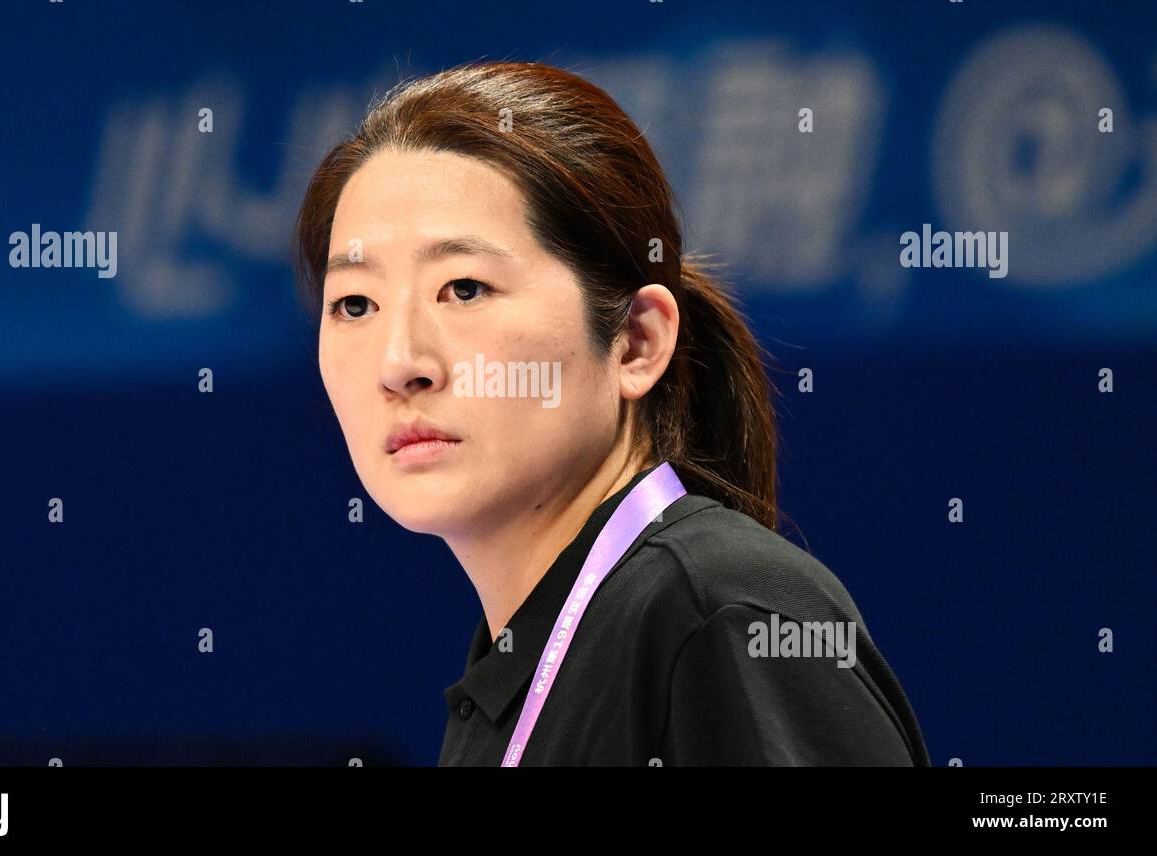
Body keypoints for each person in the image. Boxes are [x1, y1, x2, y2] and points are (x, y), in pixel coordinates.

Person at [294, 60, 929, 766]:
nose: (399, 363)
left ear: (637, 342)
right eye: (355, 304)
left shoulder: (720, 616)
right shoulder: (527, 667)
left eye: (465, 288)